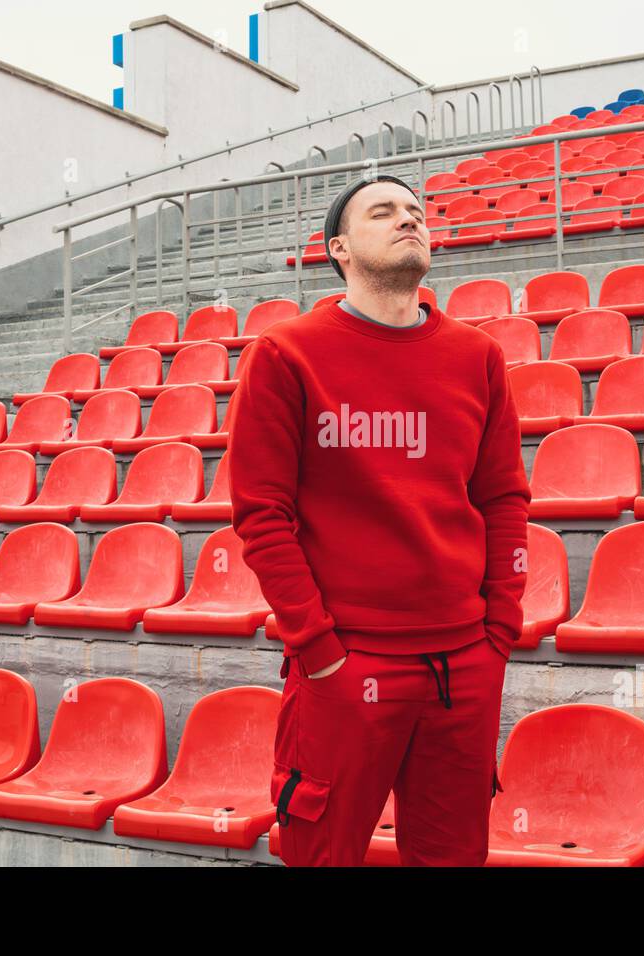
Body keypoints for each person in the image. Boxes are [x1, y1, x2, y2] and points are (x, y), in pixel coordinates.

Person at [228, 172, 531, 866]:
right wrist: (322, 651)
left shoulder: (477, 357)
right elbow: (262, 516)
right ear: (338, 247)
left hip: (463, 665)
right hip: (347, 662)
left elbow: (504, 500)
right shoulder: (286, 355)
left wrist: (497, 637)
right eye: (384, 211)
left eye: (417, 211)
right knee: (321, 854)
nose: (409, 220)